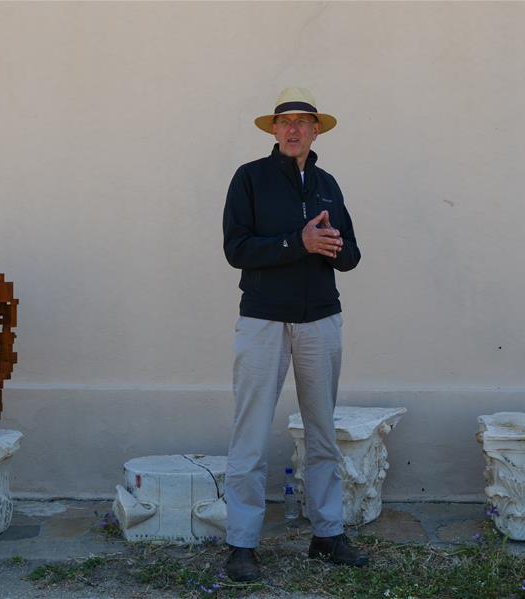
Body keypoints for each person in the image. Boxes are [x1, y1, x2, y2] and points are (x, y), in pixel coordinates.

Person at [221, 87, 366, 582]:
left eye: (303, 122)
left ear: (316, 130)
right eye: (285, 122)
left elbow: (350, 257)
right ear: (273, 130)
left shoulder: (327, 185)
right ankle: (242, 545)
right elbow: (236, 249)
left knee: (322, 432)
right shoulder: (250, 179)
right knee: (251, 434)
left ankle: (327, 535)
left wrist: (331, 245)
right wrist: (296, 241)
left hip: (321, 320)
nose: (293, 129)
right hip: (262, 320)